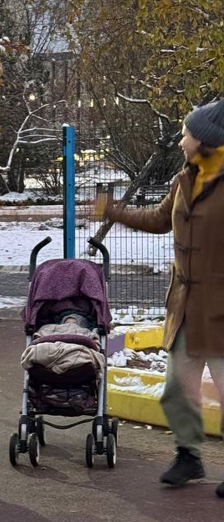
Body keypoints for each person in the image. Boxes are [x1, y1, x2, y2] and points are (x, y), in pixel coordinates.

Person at [102, 99, 224, 497]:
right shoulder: (183, 179)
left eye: (186, 133)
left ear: (205, 139)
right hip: (186, 305)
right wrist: (116, 213)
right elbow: (157, 218)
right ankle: (188, 455)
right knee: (177, 386)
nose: (180, 140)